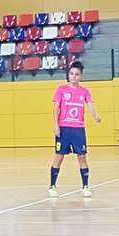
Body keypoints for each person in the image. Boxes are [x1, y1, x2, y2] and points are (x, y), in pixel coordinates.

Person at [49, 61, 102, 198]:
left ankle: (85, 186)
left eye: (77, 74)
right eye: (72, 74)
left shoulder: (85, 91)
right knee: (59, 157)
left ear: (80, 76)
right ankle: (52, 186)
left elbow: (90, 105)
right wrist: (56, 125)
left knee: (82, 157)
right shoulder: (61, 89)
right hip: (64, 128)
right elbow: (56, 108)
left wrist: (96, 115)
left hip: (78, 129)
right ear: (68, 75)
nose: (74, 76)